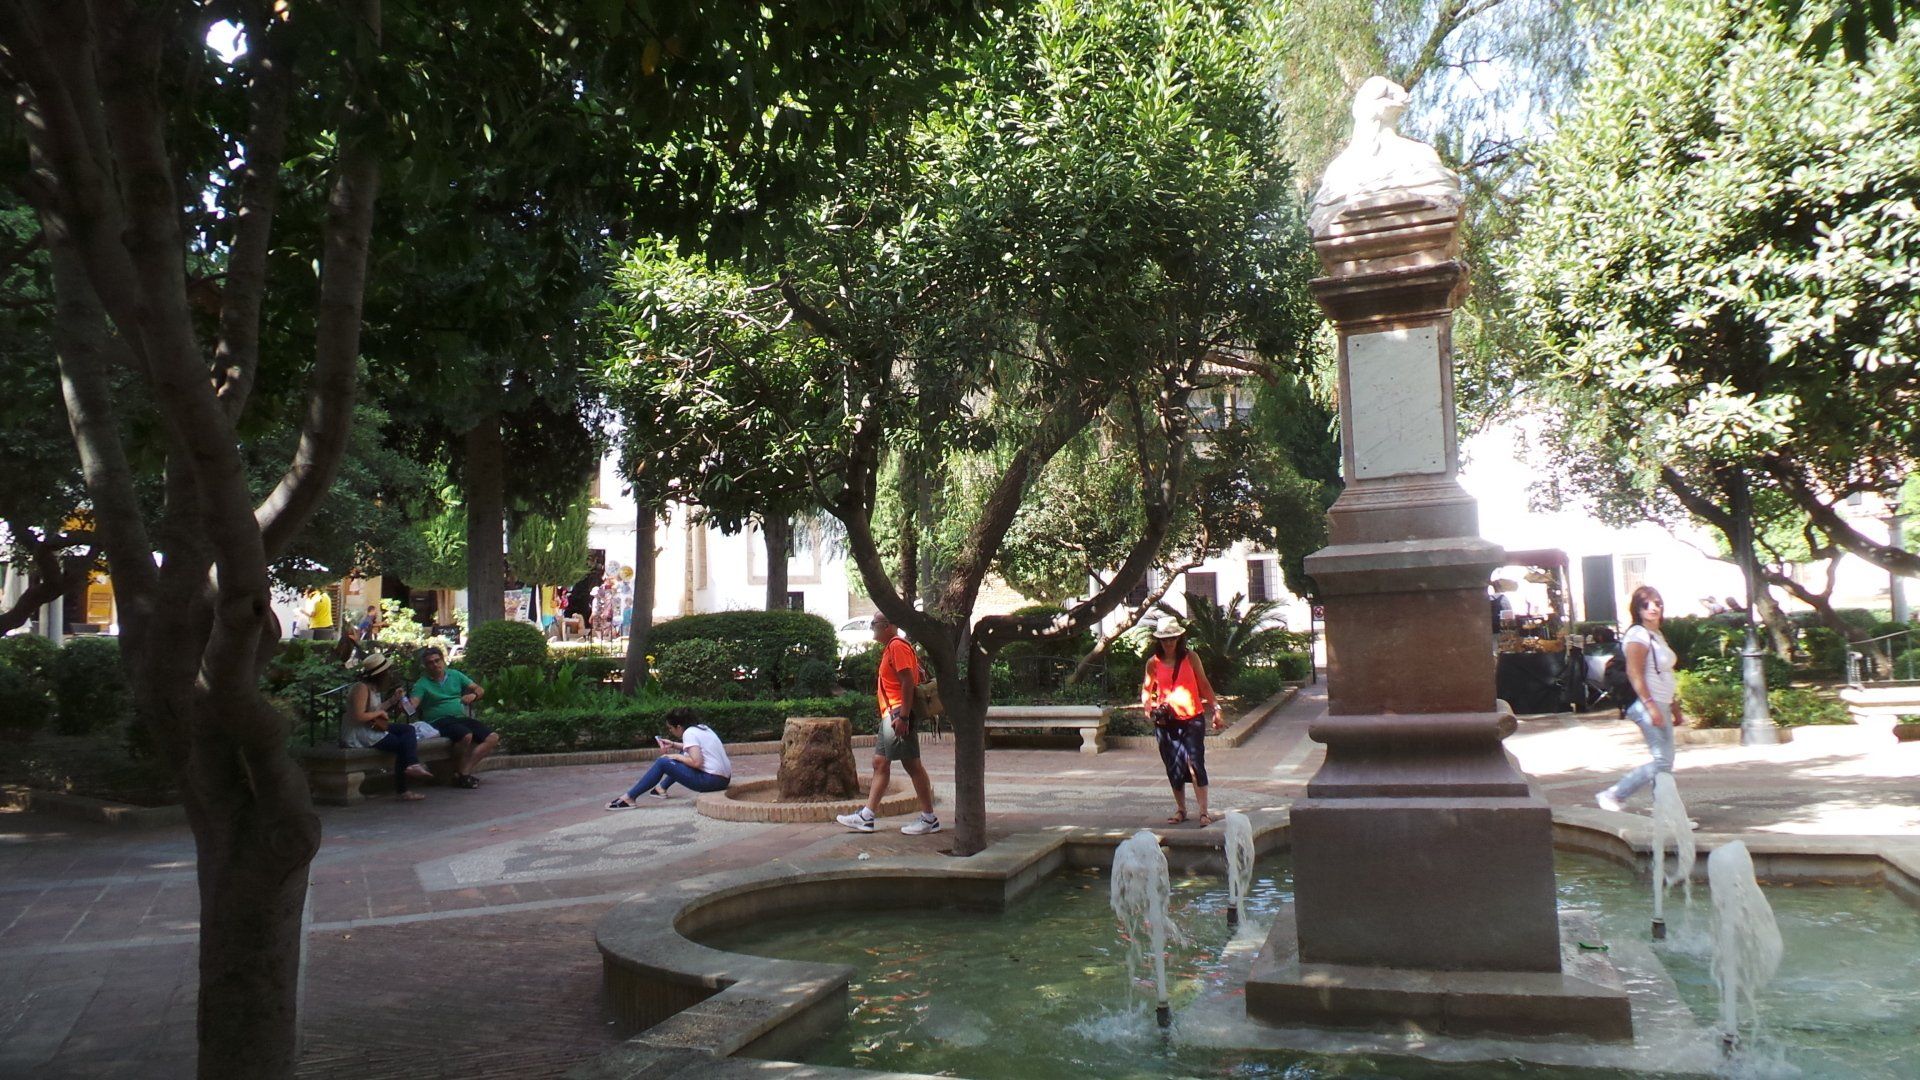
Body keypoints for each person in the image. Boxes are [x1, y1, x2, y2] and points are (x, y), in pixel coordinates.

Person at [837, 612, 940, 835]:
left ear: (887, 625)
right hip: (891, 714)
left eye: (874, 623)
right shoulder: (892, 647)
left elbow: (907, 682)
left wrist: (903, 717)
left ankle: (929, 818)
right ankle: (867, 817)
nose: (871, 627)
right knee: (880, 762)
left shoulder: (897, 646)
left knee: (912, 765)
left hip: (897, 714)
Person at [1597, 586, 1684, 812]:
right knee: (1662, 761)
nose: (1653, 608)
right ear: (1637, 609)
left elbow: (1665, 673)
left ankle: (1666, 813)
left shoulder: (1657, 634)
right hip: (1646, 704)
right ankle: (1614, 794)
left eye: (1657, 603)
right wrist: (1650, 705)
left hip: (1661, 702)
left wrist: (1673, 706)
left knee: (1665, 762)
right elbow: (1634, 672)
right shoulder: (1638, 634)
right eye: (1646, 604)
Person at [1142, 616, 1223, 825]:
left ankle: (1203, 812)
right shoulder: (1153, 663)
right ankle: (1181, 809)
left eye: (1172, 638)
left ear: (1179, 638)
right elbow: (1147, 689)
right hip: (1166, 723)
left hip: (1192, 718)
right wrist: (1148, 708)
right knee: (1174, 765)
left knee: (1195, 763)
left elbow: (1203, 684)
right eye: (1164, 639)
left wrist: (1216, 708)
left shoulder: (1191, 657)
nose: (1168, 643)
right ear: (1159, 640)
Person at [343, 652, 432, 802]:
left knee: (408, 730)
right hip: (360, 732)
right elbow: (358, 716)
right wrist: (379, 713)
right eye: (387, 671)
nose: (390, 674)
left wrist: (393, 700)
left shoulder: (372, 688)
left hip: (371, 727)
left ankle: (413, 764)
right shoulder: (361, 688)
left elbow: (375, 709)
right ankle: (403, 788)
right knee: (401, 745)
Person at [604, 707, 733, 808]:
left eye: (671, 728)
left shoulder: (689, 733)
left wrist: (674, 756)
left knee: (663, 762)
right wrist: (673, 744)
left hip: (711, 781)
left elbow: (696, 762)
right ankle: (661, 788)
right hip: (723, 779)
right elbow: (694, 748)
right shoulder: (703, 728)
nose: (670, 731)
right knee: (682, 755)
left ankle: (629, 798)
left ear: (679, 727)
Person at [411, 644, 496, 789]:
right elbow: (413, 704)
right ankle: (461, 774)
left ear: (443, 661)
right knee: (466, 736)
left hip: (459, 718)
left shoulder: (455, 675)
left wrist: (473, 695)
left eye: (437, 660)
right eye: (430, 663)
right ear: (425, 666)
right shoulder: (422, 683)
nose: (435, 665)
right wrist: (402, 702)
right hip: (438, 720)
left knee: (492, 738)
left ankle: (464, 772)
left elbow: (479, 689)